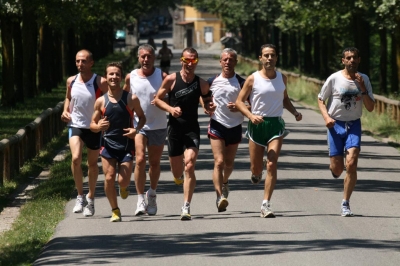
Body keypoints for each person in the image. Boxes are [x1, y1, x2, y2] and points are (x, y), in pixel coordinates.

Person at [235, 44, 302, 218]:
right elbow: (239, 102)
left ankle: (266, 204)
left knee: (272, 163)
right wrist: (250, 116)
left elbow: (285, 99)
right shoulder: (253, 79)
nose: (269, 58)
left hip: (275, 125)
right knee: (256, 168)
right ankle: (256, 173)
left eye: (272, 55)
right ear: (260, 58)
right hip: (257, 124)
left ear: (276, 58)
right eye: (266, 55)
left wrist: (294, 112)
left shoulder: (282, 78)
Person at [154, 47, 213, 220]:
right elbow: (157, 99)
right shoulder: (172, 79)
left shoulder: (201, 83)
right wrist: (171, 109)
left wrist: (210, 107)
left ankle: (186, 206)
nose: (190, 64)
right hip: (174, 129)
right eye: (187, 60)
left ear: (196, 62)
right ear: (181, 60)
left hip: (191, 128)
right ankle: (177, 176)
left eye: (193, 60)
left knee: (190, 164)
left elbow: (208, 101)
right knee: (177, 171)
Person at [317, 47, 375, 217]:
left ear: (359, 60)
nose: (352, 61)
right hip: (335, 125)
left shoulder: (364, 79)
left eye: (354, 58)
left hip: (354, 125)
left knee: (352, 163)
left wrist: (363, 88)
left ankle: (345, 203)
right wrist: (326, 118)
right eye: (348, 58)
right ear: (343, 61)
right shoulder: (334, 79)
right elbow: (321, 99)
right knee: (338, 169)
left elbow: (370, 108)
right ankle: (335, 168)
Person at [90, 62, 146, 222]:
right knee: (108, 178)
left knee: (123, 180)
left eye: (117, 74)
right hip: (107, 144)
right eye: (110, 74)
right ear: (106, 77)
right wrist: (98, 125)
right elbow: (92, 125)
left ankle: (123, 187)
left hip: (126, 144)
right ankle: (115, 210)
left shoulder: (131, 99)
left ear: (121, 77)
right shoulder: (101, 101)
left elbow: (142, 117)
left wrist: (136, 130)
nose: (114, 77)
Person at [61, 49, 107, 217]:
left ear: (91, 63)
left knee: (92, 164)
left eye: (84, 61)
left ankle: (91, 197)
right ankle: (80, 196)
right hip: (76, 125)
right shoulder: (71, 81)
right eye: (78, 61)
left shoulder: (100, 82)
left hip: (94, 127)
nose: (80, 64)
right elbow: (68, 98)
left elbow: (110, 100)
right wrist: (66, 111)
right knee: (75, 158)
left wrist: (105, 119)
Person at [123, 44, 168, 216]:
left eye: (149, 56)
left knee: (155, 163)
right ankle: (140, 198)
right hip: (139, 125)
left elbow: (169, 98)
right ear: (138, 58)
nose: (146, 59)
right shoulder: (131, 77)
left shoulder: (162, 76)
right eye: (143, 56)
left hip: (158, 125)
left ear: (154, 57)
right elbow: (124, 98)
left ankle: (152, 193)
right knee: (140, 159)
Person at [203, 48, 247, 212]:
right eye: (225, 59)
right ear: (220, 62)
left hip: (235, 126)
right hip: (217, 124)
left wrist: (239, 107)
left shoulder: (242, 83)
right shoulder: (211, 81)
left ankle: (225, 181)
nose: (228, 62)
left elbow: (251, 106)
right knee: (219, 162)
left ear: (236, 62)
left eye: (231, 59)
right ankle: (219, 196)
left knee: (229, 164)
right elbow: (203, 97)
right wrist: (207, 106)